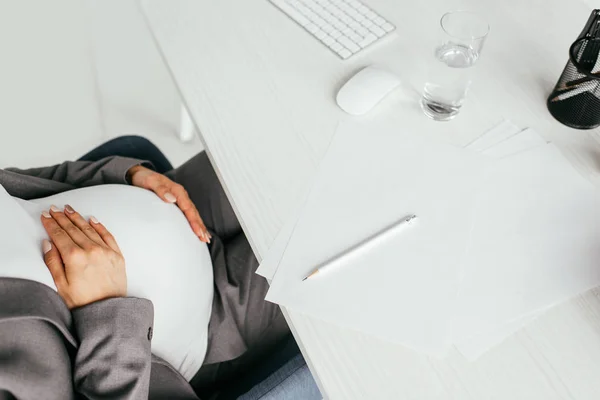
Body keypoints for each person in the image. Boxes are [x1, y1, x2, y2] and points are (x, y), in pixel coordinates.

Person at [0, 136, 291, 399]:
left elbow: (18, 185)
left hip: (175, 198)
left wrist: (127, 174)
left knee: (291, 148)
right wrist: (105, 310)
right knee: (327, 229)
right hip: (208, 326)